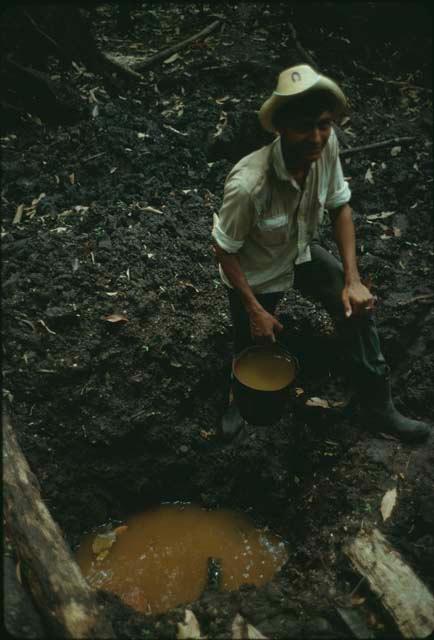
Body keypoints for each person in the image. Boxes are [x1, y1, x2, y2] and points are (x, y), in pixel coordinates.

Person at [212, 64, 431, 443]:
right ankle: (238, 400)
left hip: (301, 252)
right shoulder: (249, 185)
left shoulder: (325, 146)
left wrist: (353, 279)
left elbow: (340, 207)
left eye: (324, 124)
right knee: (252, 340)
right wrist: (254, 309)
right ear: (280, 127)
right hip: (256, 268)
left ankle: (378, 405)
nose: (316, 137)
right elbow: (225, 249)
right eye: (304, 127)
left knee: (356, 309)